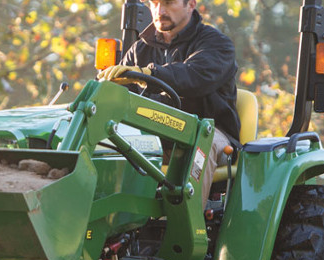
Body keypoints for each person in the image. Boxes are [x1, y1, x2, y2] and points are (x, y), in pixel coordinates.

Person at [97, 0, 239, 169]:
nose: (159, 10)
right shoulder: (138, 50)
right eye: (154, 3)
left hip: (209, 133)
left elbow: (192, 76)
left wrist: (146, 74)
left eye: (168, 2)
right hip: (156, 137)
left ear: (191, 4)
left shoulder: (216, 44)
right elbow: (116, 98)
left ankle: (189, 196)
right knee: (102, 143)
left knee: (200, 149)